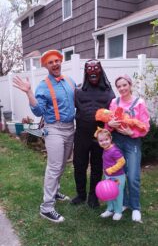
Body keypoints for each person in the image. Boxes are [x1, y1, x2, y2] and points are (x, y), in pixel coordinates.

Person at [13, 49, 76, 223]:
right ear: (46, 66)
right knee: (54, 167)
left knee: (62, 164)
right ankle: (46, 207)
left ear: (61, 62)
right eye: (51, 62)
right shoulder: (43, 86)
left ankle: (55, 192)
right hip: (54, 129)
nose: (55, 64)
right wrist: (28, 92)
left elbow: (78, 101)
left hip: (71, 128)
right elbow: (38, 110)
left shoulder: (70, 81)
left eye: (57, 61)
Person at [71, 59, 115, 208]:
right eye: (89, 68)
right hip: (81, 135)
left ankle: (93, 196)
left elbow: (114, 112)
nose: (93, 71)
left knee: (97, 166)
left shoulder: (109, 92)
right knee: (79, 165)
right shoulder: (78, 91)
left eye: (96, 68)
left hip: (100, 137)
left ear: (100, 71)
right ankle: (81, 194)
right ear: (85, 72)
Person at [107, 74, 150, 222]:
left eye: (124, 85)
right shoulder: (114, 102)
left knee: (132, 177)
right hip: (117, 142)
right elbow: (108, 123)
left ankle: (135, 207)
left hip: (132, 142)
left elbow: (145, 126)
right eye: (119, 86)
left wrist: (132, 132)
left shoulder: (139, 103)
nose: (122, 88)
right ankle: (124, 202)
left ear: (130, 85)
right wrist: (109, 125)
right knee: (120, 175)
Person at [94, 128, 126, 221]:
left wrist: (111, 170)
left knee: (117, 194)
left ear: (110, 138)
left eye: (106, 140)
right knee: (109, 193)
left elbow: (122, 162)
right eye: (101, 141)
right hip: (109, 176)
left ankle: (118, 211)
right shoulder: (106, 149)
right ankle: (110, 209)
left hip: (118, 177)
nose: (104, 142)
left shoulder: (114, 150)